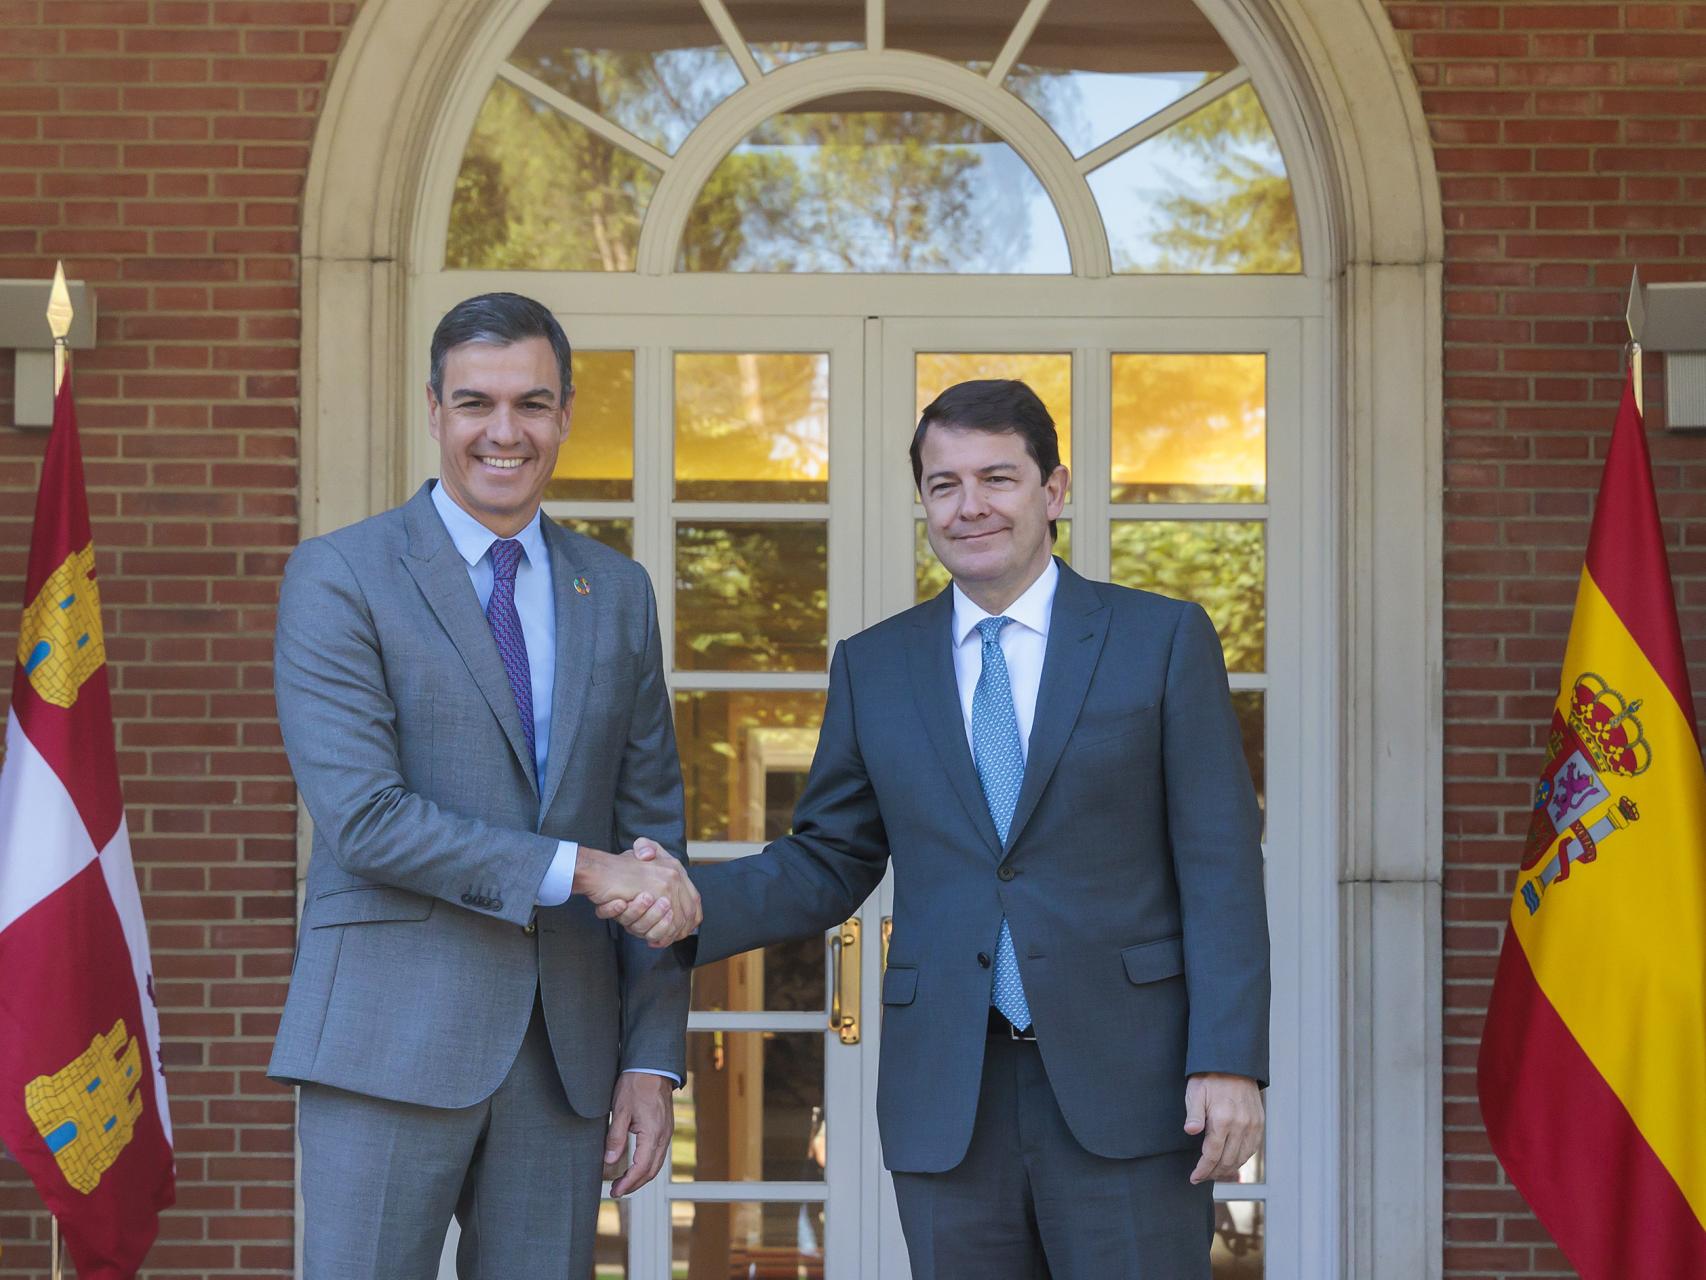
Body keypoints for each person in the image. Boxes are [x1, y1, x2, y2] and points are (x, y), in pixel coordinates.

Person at [609, 378, 1269, 1279]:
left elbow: (1220, 866)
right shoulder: (877, 666)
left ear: (1055, 489)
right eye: (944, 484)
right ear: (922, 500)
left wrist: (1228, 1060)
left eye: (997, 478)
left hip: (1132, 1084)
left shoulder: (1159, 641)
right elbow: (829, 858)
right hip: (949, 1094)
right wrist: (688, 904)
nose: (970, 507)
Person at [269, 292, 701, 1279]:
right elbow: (366, 819)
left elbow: (652, 832)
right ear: (433, 409)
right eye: (475, 403)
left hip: (564, 1056)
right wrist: (582, 869)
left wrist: (649, 1055)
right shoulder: (341, 576)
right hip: (387, 1036)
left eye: (532, 403)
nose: (504, 432)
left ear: (565, 413)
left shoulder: (615, 589)